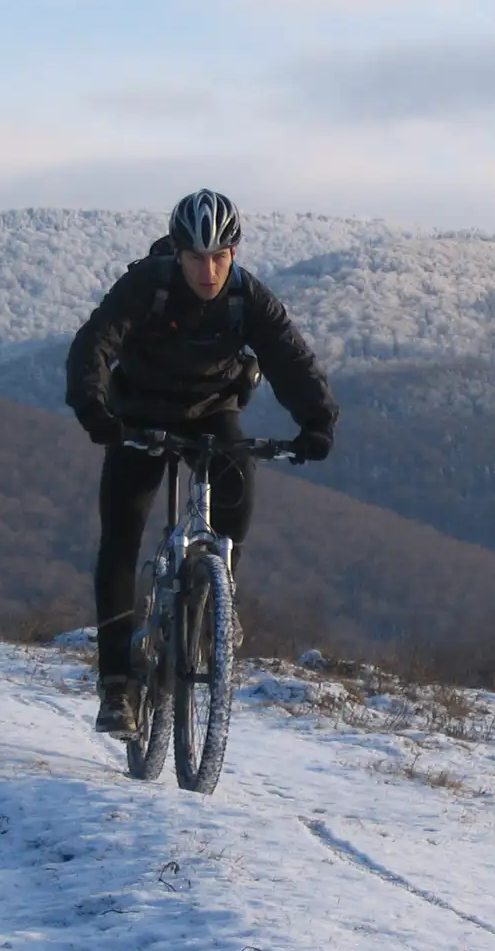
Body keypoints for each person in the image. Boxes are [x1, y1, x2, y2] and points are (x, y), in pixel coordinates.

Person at [66, 189, 340, 735]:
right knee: (120, 540)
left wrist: (317, 421)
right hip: (138, 413)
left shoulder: (247, 298)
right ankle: (117, 687)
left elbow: (291, 357)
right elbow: (93, 345)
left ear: (234, 254)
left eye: (219, 256)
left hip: (210, 412)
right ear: (177, 253)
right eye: (196, 257)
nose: (208, 269)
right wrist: (96, 411)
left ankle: (218, 599)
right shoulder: (148, 285)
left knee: (239, 479)